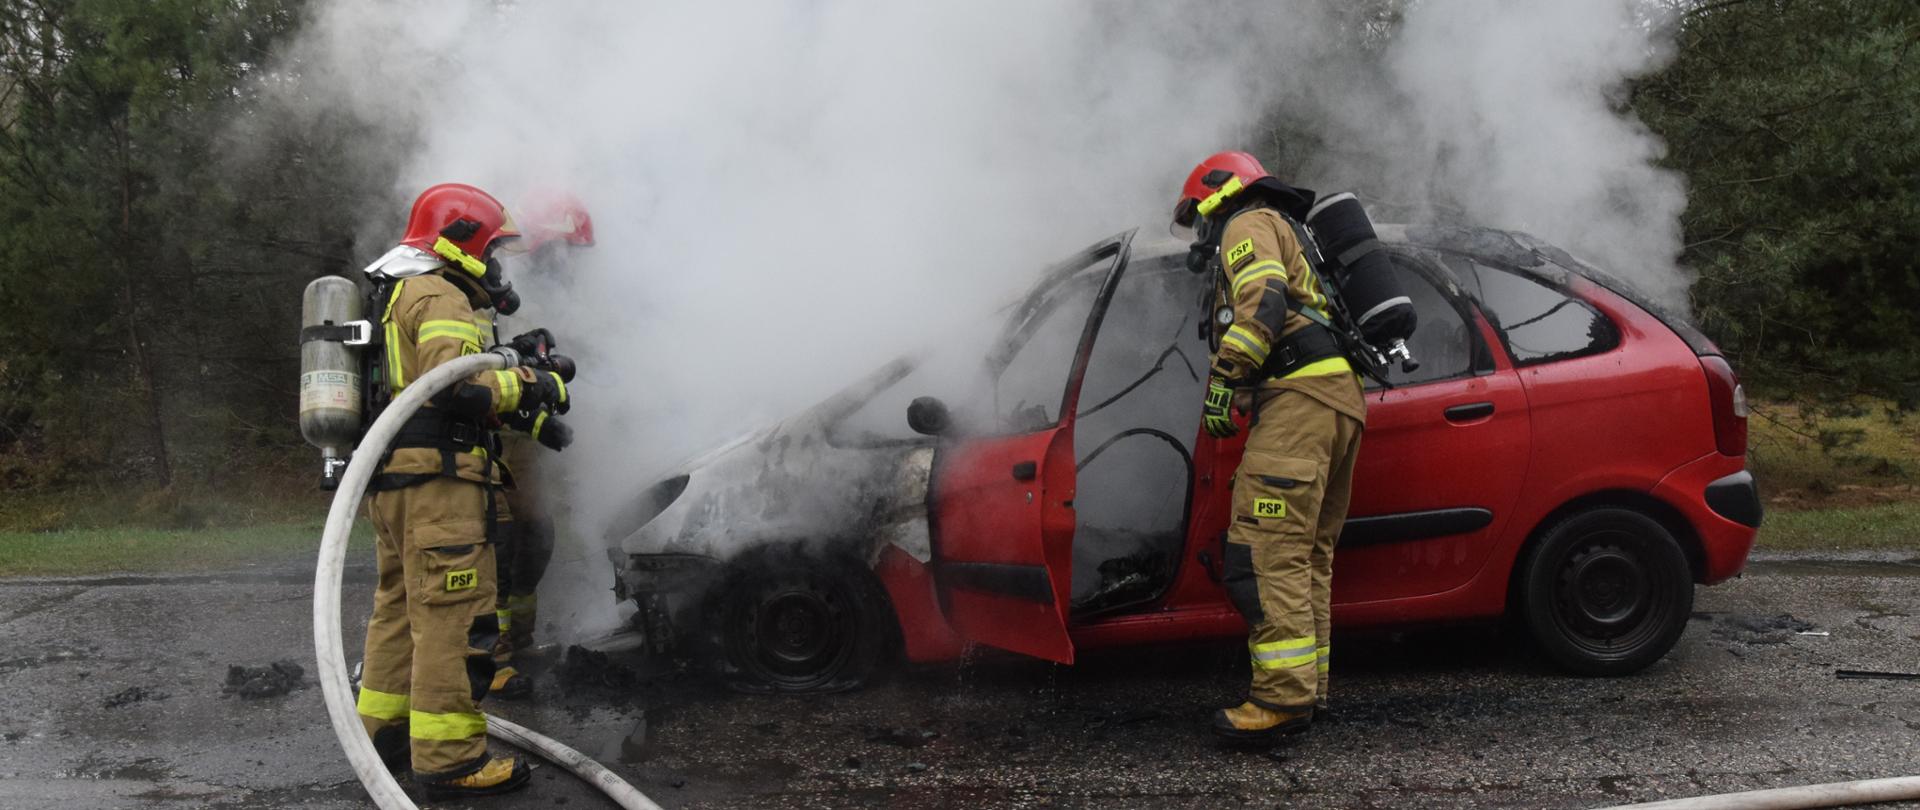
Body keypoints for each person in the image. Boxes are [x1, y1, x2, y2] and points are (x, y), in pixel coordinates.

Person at [354, 182, 572, 799]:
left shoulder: (397, 290)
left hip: (395, 482)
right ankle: (450, 760)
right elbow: (459, 386)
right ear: (465, 243)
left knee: (398, 611)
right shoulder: (441, 292)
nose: (499, 264)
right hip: (438, 487)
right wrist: (535, 385)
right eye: (494, 247)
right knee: (451, 616)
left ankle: (385, 736)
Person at [1171, 151, 1366, 743]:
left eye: (1196, 215)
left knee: (1263, 553)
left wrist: (1226, 379)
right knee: (1306, 558)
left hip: (1301, 402)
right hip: (1336, 400)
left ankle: (1280, 702)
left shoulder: (1247, 223)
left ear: (1215, 196)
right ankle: (1309, 689)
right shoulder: (1293, 231)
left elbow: (1263, 302)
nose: (1201, 231)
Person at [481, 192, 595, 699]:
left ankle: (519, 643)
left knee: (537, 540)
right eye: (563, 252)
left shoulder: (559, 295)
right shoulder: (491, 291)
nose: (569, 266)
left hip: (524, 446)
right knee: (498, 551)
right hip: (488, 446)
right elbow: (477, 379)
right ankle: (491, 657)